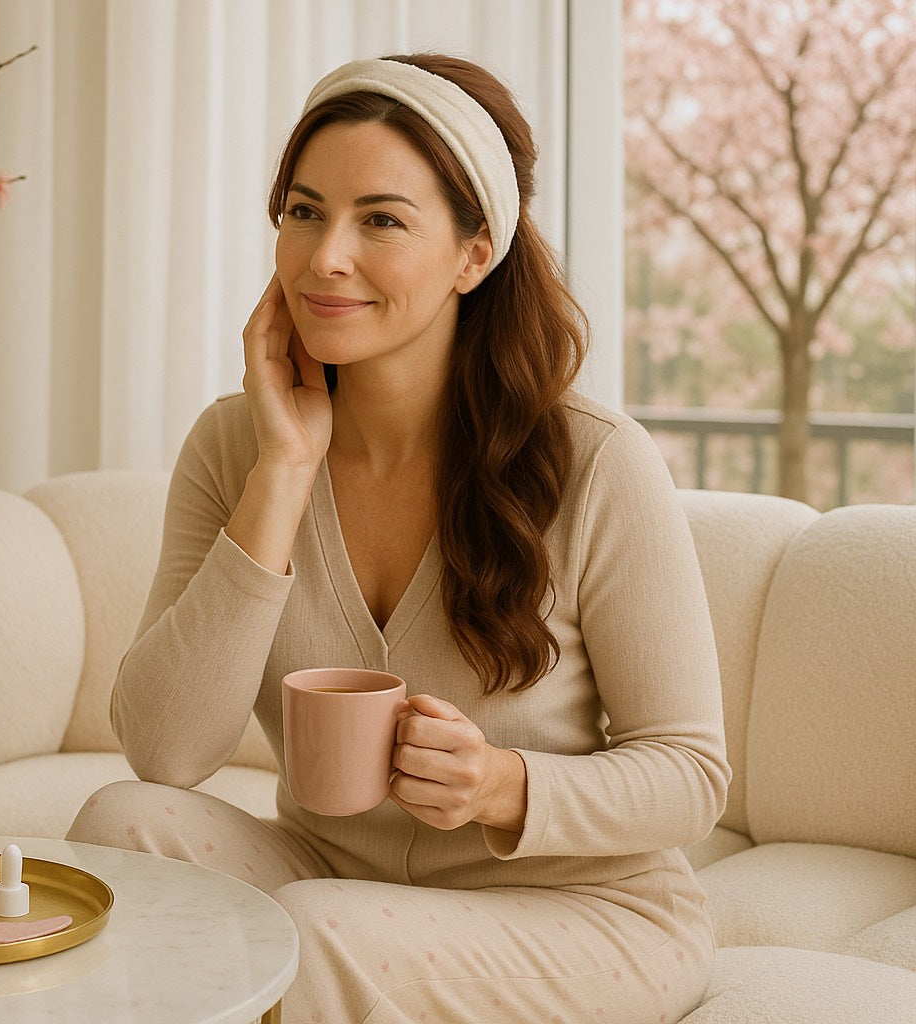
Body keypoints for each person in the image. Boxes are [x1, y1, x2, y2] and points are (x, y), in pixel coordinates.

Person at [67, 53, 729, 1023]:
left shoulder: (592, 462)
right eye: (303, 211)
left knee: (315, 933)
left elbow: (692, 774)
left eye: (381, 219)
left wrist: (503, 785)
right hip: (333, 871)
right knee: (118, 827)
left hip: (578, 909)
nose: (325, 256)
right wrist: (282, 472)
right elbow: (165, 752)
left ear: (476, 253)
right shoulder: (233, 445)